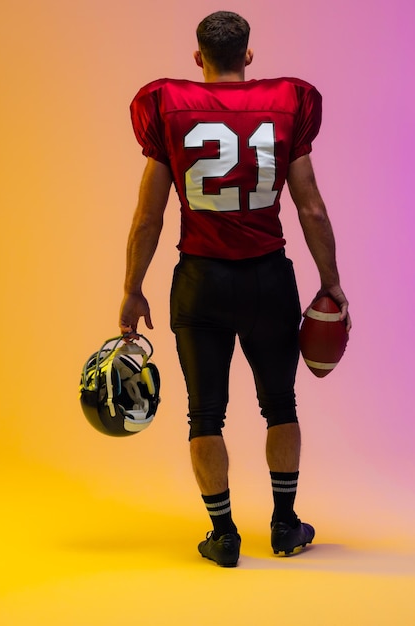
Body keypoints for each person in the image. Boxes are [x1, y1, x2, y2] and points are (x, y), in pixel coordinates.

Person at [119, 11, 351, 567]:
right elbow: (310, 205)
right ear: (249, 57)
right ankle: (286, 525)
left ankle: (223, 536)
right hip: (269, 276)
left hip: (199, 280)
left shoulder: (166, 107)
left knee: (205, 413)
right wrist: (332, 282)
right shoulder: (287, 103)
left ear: (198, 58)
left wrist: (132, 287)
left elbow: (149, 217)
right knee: (280, 404)